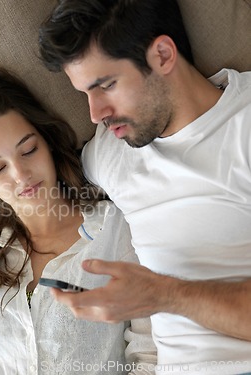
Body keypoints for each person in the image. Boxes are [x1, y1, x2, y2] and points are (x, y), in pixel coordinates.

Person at [37, 0, 251, 374]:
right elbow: (27, 188)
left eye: (106, 85)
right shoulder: (111, 150)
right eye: (84, 94)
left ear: (163, 55)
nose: (95, 114)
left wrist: (162, 295)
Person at [0, 67, 156, 374]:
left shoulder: (115, 232)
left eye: (28, 150)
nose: (21, 174)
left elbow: (149, 357)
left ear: (48, 143)